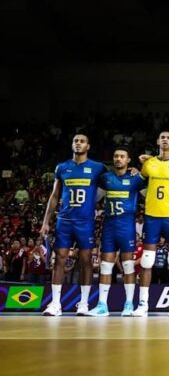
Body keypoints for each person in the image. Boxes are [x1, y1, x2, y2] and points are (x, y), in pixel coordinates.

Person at [41, 134, 107, 316]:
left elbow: (115, 180)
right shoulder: (62, 167)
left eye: (82, 141)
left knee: (85, 261)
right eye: (75, 141)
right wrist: (46, 221)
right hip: (65, 220)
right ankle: (55, 304)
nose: (78, 143)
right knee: (60, 259)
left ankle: (84, 303)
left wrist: (132, 170)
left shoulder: (97, 167)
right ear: (72, 145)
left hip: (85, 221)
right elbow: (54, 196)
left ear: (88, 146)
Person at [133, 131, 169, 317]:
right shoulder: (149, 164)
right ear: (158, 141)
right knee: (147, 260)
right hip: (152, 216)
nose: (165, 139)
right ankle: (143, 304)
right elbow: (140, 184)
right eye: (162, 137)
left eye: (168, 137)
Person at [88, 147, 146, 316]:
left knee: (128, 266)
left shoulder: (135, 178)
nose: (118, 159)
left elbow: (150, 196)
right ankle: (102, 305)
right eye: (116, 156)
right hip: (109, 226)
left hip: (127, 226)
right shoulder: (106, 178)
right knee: (105, 267)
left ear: (128, 160)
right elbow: (95, 198)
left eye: (122, 156)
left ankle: (129, 304)